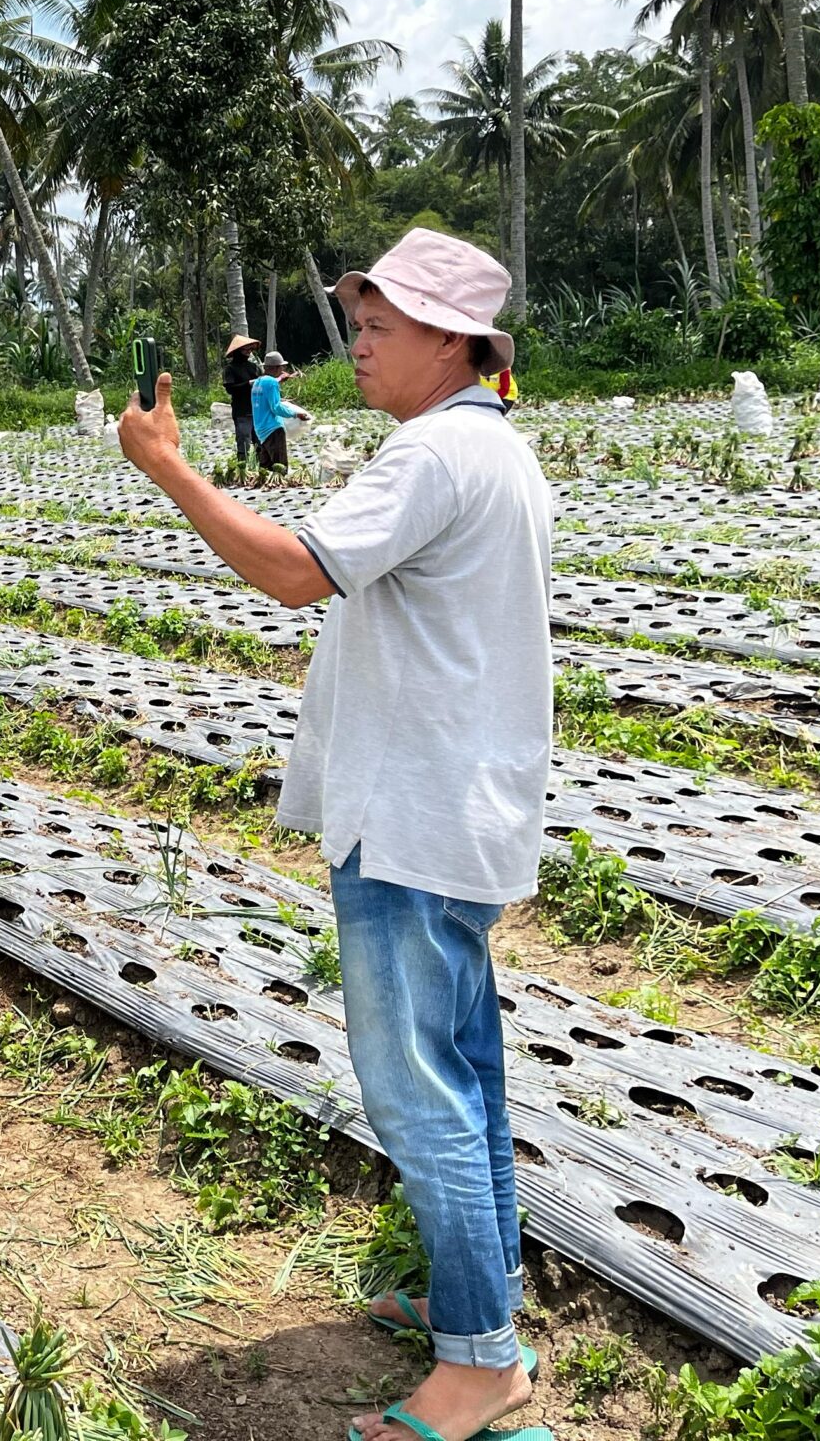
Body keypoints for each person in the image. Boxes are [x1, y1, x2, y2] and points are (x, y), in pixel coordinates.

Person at [115, 229, 553, 1441]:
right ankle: (477, 1305)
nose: (356, 343)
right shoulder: (492, 448)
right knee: (463, 1073)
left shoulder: (431, 454)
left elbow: (292, 573)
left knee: (418, 1093)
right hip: (459, 807)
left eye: (382, 327)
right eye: (357, 322)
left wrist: (168, 470)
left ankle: (481, 1372)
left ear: (453, 343)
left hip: (412, 817)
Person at [248, 351, 312, 473]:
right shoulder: (271, 383)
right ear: (276, 368)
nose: (282, 369)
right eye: (281, 367)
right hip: (273, 429)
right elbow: (276, 407)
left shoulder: (257, 382)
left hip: (259, 429)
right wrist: (296, 414)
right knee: (280, 466)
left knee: (265, 467)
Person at [222, 335, 262, 464]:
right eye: (245, 350)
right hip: (241, 410)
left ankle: (262, 466)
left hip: (257, 408)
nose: (248, 353)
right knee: (243, 439)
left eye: (250, 350)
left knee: (259, 439)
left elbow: (263, 383)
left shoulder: (254, 367)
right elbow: (230, 388)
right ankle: (242, 466)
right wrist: (248, 384)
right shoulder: (230, 369)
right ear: (237, 351)